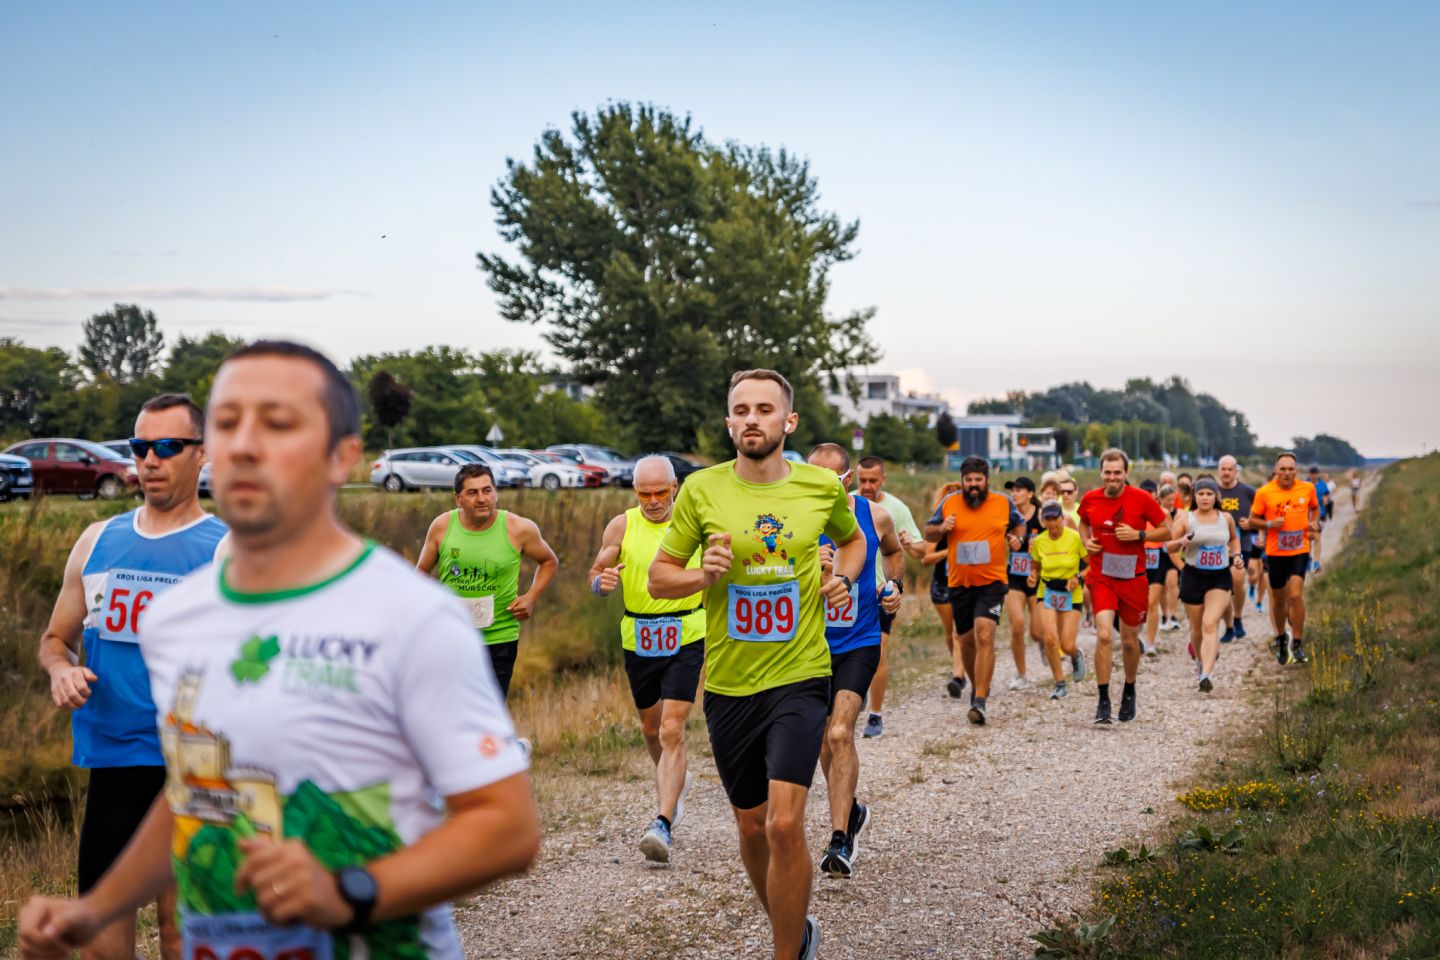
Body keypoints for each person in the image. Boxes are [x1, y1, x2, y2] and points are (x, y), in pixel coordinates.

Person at [19, 341, 540, 960]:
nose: (245, 444)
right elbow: (192, 792)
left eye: (277, 423)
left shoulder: (411, 614)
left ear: (343, 456)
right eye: (229, 422)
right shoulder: (178, 620)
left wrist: (352, 892)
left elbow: (507, 828)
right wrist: (93, 910)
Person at [650, 369, 865, 960]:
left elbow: (853, 541)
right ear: (728, 423)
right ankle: (795, 932)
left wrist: (840, 579)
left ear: (787, 422)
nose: (752, 419)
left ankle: (783, 954)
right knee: (750, 827)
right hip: (728, 684)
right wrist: (703, 575)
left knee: (784, 824)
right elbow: (659, 577)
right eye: (741, 410)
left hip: (799, 676)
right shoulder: (700, 490)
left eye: (765, 409)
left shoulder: (820, 488)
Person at [33, 394, 226, 960]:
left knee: (180, 929)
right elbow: (53, 639)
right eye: (140, 447)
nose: (150, 460)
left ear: (202, 455)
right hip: (114, 761)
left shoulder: (228, 552)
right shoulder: (97, 541)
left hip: (192, 765)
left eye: (168, 447)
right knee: (100, 932)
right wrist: (60, 670)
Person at [587, 455, 704, 863]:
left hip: (688, 630)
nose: (653, 501)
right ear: (634, 492)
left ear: (675, 487)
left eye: (660, 492)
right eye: (644, 493)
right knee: (651, 728)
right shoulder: (622, 524)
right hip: (639, 635)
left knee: (672, 729)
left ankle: (663, 821)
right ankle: (673, 783)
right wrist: (602, 585)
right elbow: (596, 574)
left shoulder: (692, 522)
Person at [809, 444, 902, 878]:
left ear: (846, 478)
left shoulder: (873, 515)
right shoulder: (794, 522)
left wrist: (894, 587)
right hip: (809, 646)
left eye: (831, 477)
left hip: (859, 640)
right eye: (813, 476)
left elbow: (894, 552)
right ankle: (851, 811)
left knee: (842, 731)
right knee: (826, 741)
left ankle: (839, 838)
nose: (822, 484)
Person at [417, 464, 559, 701]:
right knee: (452, 709)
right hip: (452, 636)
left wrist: (531, 597)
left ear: (496, 493)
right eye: (472, 493)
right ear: (458, 499)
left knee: (491, 711)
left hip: (500, 637)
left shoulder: (519, 528)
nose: (482, 499)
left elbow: (549, 561)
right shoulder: (442, 526)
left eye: (487, 490)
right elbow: (420, 574)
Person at [923, 456, 1025, 725]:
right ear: (963, 481)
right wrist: (942, 528)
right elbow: (929, 533)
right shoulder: (950, 503)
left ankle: (980, 699)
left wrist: (1018, 538)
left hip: (992, 582)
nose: (973, 485)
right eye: (968, 480)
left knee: (984, 634)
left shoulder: (1003, 502)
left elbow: (1019, 523)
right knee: (966, 641)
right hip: (959, 583)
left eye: (978, 480)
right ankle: (977, 685)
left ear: (987, 481)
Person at [1077, 449, 1171, 724]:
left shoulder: (1141, 499)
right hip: (1102, 576)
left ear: (1126, 473)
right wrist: (1086, 542)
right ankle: (1103, 700)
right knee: (1104, 635)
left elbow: (1167, 529)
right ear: (1101, 473)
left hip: (1133, 577)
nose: (1112, 478)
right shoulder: (1090, 499)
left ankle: (1129, 688)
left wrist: (1139, 534)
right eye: (1107, 473)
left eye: (1117, 473)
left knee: (1130, 642)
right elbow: (1083, 524)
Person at [853, 454, 927, 738]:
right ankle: (851, 696)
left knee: (878, 651)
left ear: (883, 479)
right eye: (863, 480)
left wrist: (910, 545)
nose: (867, 485)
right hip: (850, 592)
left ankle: (875, 714)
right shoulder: (845, 503)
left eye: (873, 480)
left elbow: (921, 551)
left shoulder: (896, 509)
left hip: (883, 591)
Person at [1166, 476, 1242, 692]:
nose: (1205, 498)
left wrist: (1236, 555)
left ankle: (1207, 674)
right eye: (1201, 494)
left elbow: (1234, 539)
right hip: (1192, 576)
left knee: (1210, 624)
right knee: (1197, 628)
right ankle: (1200, 662)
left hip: (1219, 577)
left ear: (1215, 496)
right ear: (1194, 496)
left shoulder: (1225, 518)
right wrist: (1181, 544)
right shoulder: (1185, 519)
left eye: (1209, 494)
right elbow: (1169, 547)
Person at [1251, 452, 1323, 665]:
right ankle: (1282, 638)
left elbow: (1316, 509)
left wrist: (1313, 523)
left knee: (1295, 595)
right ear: (1276, 471)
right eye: (1282, 469)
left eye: (1291, 469)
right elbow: (1254, 520)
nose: (1287, 473)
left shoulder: (1307, 489)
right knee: (1279, 597)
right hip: (1275, 553)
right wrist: (1268, 525)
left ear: (1296, 471)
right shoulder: (1264, 493)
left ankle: (1298, 643)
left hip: (1299, 550)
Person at [1026, 500, 1087, 699]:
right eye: (1048, 520)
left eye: (1055, 519)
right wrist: (1033, 575)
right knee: (1050, 638)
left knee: (1067, 644)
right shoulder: (1040, 541)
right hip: (1048, 591)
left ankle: (1076, 655)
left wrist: (1078, 578)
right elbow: (1035, 566)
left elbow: (1092, 565)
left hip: (1071, 593)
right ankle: (1059, 683)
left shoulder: (1075, 538)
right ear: (1043, 521)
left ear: (1062, 518)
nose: (1052, 524)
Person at [1001, 477, 1045, 690]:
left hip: (1038, 577)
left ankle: (1045, 644)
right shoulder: (1009, 518)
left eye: (1019, 490)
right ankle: (1021, 674)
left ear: (1030, 493)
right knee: (1017, 625)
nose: (1014, 494)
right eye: (1012, 491)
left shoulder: (1042, 516)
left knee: (1037, 632)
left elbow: (1057, 538)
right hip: (1015, 576)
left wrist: (1040, 546)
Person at [925, 481, 965, 699]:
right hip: (942, 584)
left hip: (964, 584)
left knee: (959, 633)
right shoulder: (936, 527)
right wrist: (949, 551)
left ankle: (958, 676)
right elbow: (926, 557)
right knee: (951, 633)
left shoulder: (969, 524)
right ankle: (958, 666)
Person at [1215, 455, 1257, 644]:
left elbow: (1260, 515)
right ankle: (1229, 626)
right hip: (1216, 544)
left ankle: (1238, 617)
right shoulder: (1211, 491)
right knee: (1224, 585)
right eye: (1223, 469)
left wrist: (1251, 524)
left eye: (1229, 469)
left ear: (1235, 471)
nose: (1226, 472)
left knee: (1237, 580)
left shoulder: (1248, 492)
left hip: (1242, 541)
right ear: (1218, 470)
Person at [1140, 480, 1169, 657]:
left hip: (1158, 558)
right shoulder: (1134, 513)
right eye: (1145, 491)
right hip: (1139, 560)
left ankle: (1150, 643)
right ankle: (1135, 637)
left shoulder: (1162, 513)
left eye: (1151, 492)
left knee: (1152, 603)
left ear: (1156, 494)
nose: (1149, 494)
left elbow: (1171, 534)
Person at [1308, 466, 1331, 572]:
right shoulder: (1305, 484)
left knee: (1317, 538)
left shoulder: (1323, 485)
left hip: (1321, 514)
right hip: (1306, 516)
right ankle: (1308, 560)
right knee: (1308, 538)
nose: (1313, 475)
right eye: (1312, 473)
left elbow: (1328, 495)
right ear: (1310, 474)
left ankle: (1316, 562)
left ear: (1318, 474)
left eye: (1315, 473)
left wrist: (1326, 499)